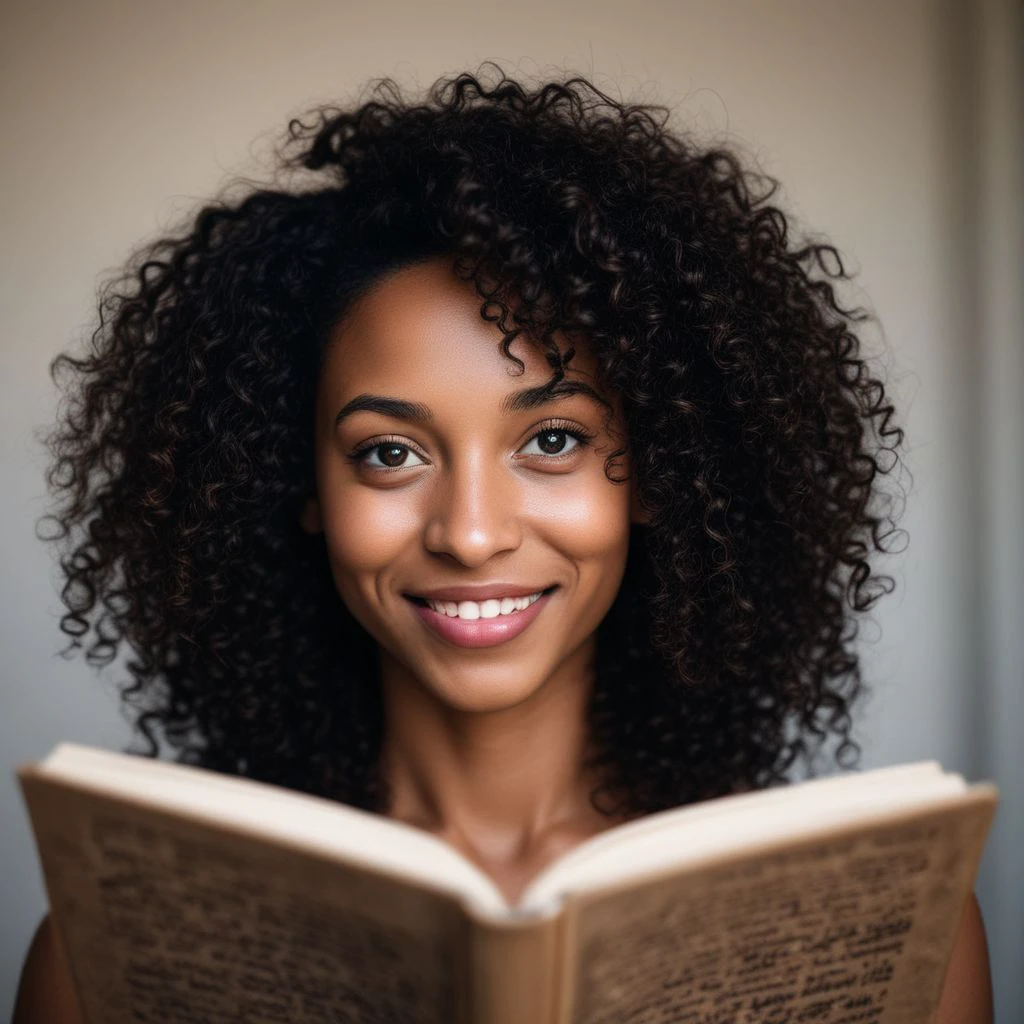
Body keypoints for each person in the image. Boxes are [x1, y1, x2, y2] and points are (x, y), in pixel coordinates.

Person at [13, 68, 992, 1022]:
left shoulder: (903, 933)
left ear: (657, 470)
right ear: (299, 482)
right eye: (389, 453)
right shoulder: (112, 954)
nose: (472, 534)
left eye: (552, 439)